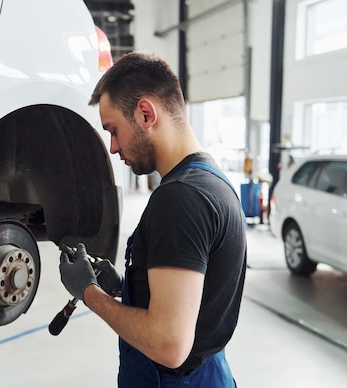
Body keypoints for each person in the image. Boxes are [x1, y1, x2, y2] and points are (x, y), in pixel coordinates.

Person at [59, 52, 247, 387]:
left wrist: (87, 292)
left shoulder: (181, 199)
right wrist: (132, 285)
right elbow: (197, 299)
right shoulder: (214, 183)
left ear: (146, 113)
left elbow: (169, 345)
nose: (113, 147)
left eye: (113, 130)